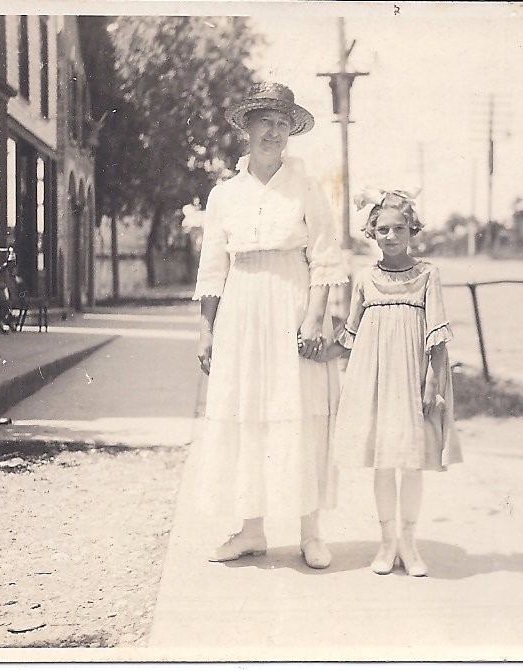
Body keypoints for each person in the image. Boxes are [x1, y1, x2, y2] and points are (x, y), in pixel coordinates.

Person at [192, 82, 347, 569]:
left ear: (291, 132)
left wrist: (314, 319)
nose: (273, 132)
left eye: (283, 124)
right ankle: (250, 530)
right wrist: (207, 330)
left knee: (299, 410)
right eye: (265, 121)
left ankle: (310, 532)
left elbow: (325, 259)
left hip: (290, 302)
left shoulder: (306, 187)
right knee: (247, 414)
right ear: (247, 128)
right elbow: (212, 268)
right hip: (241, 309)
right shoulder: (224, 195)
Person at [320, 187, 463, 576]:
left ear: (412, 229)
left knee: (412, 462)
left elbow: (437, 336)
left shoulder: (427, 275)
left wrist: (432, 385)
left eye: (399, 228)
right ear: (372, 232)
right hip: (375, 379)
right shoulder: (364, 278)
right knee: (383, 462)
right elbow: (349, 333)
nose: (391, 236)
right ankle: (387, 543)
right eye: (382, 229)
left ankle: (410, 543)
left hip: (414, 377)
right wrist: (316, 349)